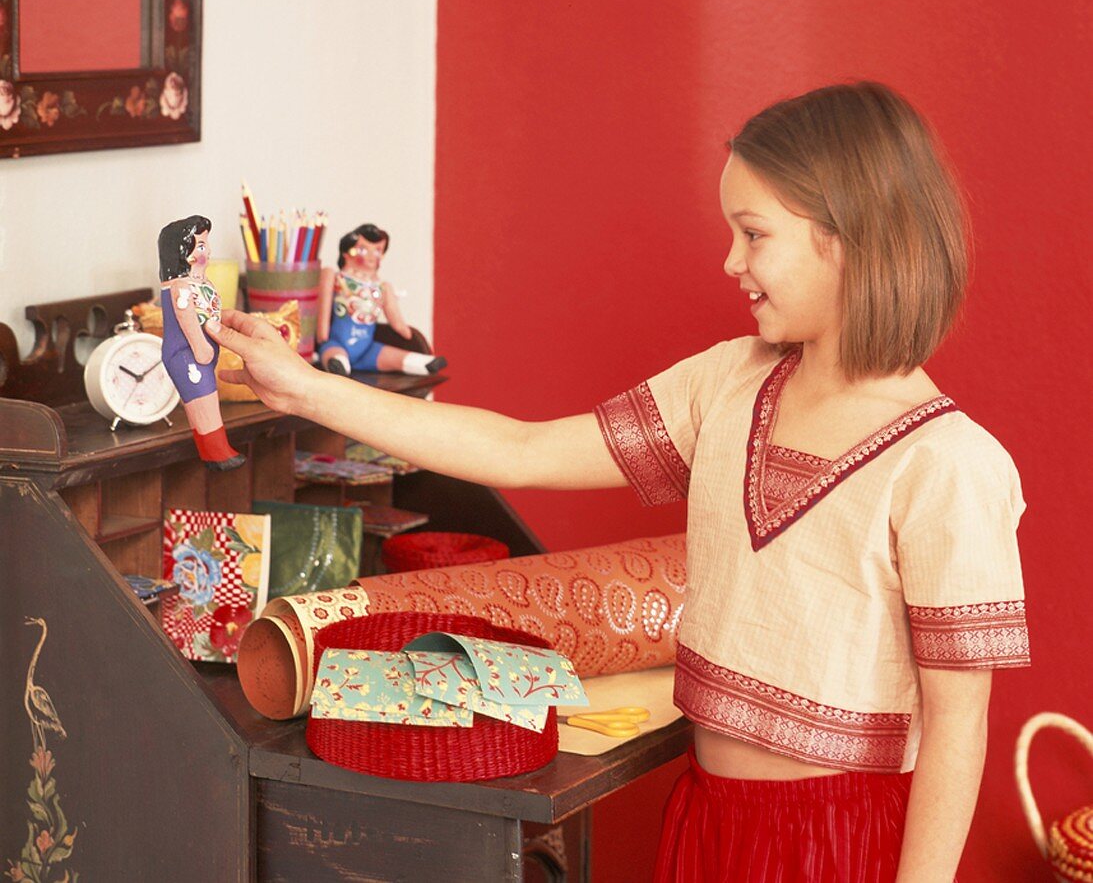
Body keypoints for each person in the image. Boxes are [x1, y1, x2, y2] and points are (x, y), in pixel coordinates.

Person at [207, 82, 1029, 882]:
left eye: (754, 234)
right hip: (709, 820)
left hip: (844, 844)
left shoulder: (948, 464)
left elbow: (959, 728)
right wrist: (308, 388)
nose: (730, 261)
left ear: (849, 236)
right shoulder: (730, 383)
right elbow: (521, 449)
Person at [158, 215, 245, 470]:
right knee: (204, 401)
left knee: (199, 404)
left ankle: (212, 451)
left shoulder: (199, 282)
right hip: (188, 353)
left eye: (206, 245)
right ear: (184, 254)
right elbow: (187, 318)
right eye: (202, 246)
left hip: (200, 353)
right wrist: (200, 347)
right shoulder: (181, 287)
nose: (208, 252)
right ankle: (218, 454)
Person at [316, 223, 447, 377]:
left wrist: (405, 332)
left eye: (378, 250)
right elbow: (322, 308)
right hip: (337, 343)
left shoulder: (383, 287)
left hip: (368, 348)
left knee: (395, 357)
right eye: (363, 249)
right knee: (335, 356)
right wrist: (322, 336)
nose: (371, 256)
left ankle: (421, 363)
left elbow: (395, 319)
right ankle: (339, 365)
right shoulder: (336, 277)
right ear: (346, 252)